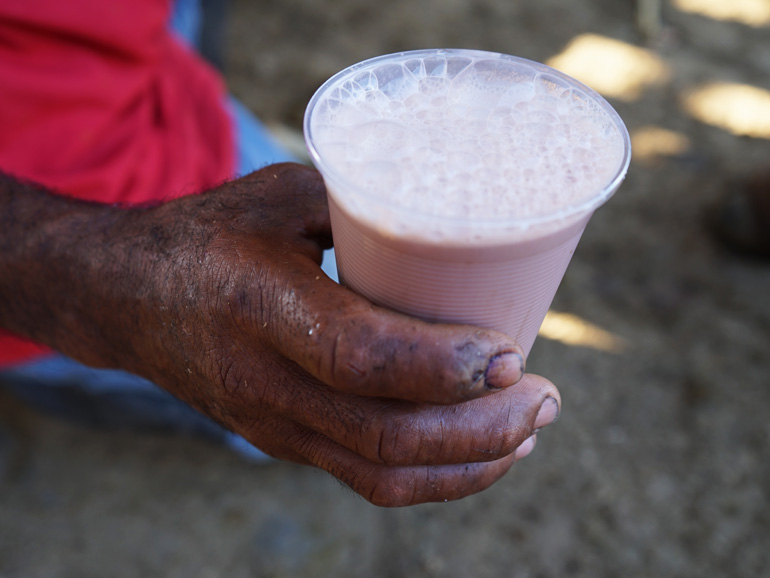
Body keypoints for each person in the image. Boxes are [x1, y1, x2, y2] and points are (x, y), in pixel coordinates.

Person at [0, 0, 561, 507]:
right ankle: (71, 383)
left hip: (151, 79)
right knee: (323, 403)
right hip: (55, 250)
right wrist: (109, 291)